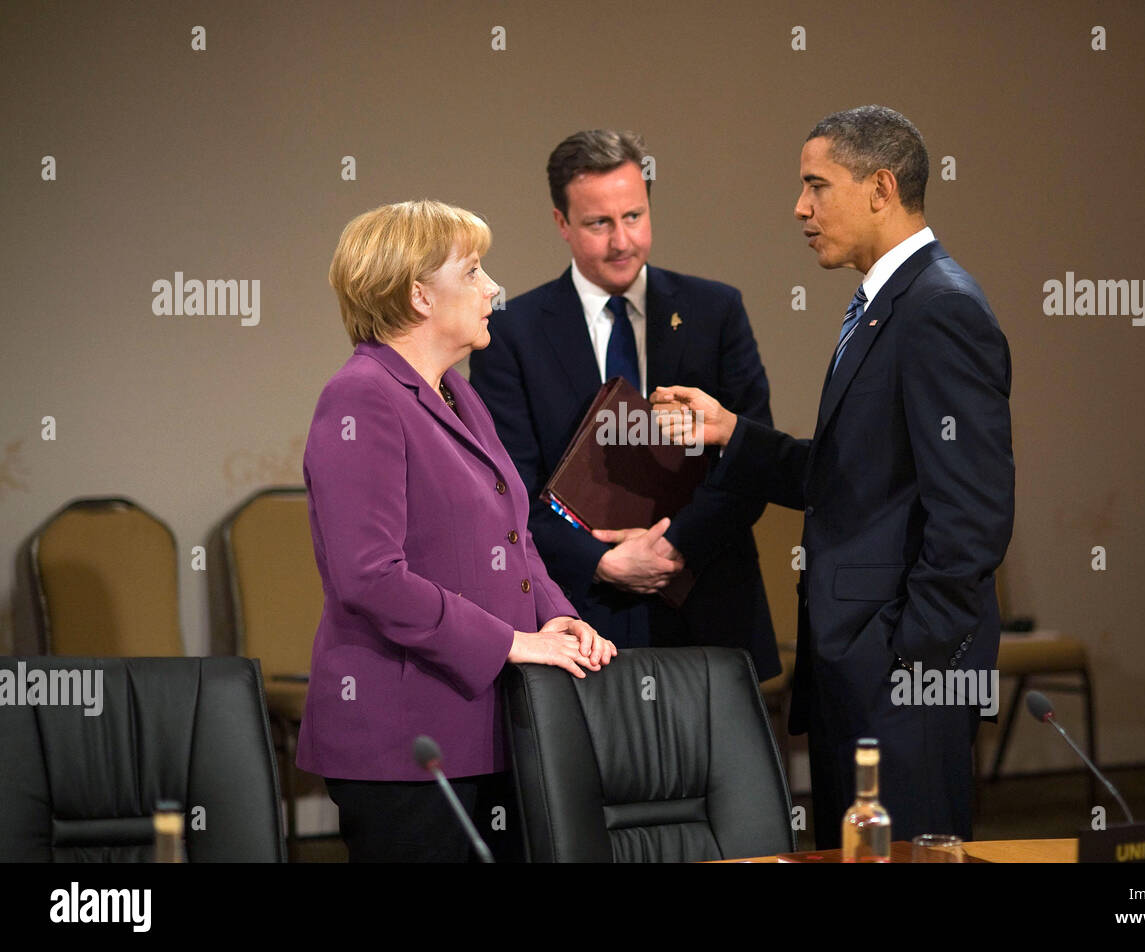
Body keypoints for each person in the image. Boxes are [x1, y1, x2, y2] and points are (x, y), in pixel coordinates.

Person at [653, 106, 1015, 845]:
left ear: (881, 187)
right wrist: (732, 432)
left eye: (816, 185)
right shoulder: (887, 306)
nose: (800, 208)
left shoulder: (938, 308)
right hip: (859, 673)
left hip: (900, 680)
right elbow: (855, 476)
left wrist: (907, 662)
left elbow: (973, 516)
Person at [297, 199, 617, 862]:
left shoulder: (457, 393)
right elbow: (370, 578)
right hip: (405, 742)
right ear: (419, 295)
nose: (492, 289)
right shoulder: (361, 395)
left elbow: (514, 535)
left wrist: (557, 618)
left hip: (485, 725)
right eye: (472, 271)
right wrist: (511, 643)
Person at [469, 130, 780, 679]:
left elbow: (750, 459)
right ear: (562, 223)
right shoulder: (512, 333)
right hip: (581, 623)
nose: (622, 241)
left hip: (709, 610)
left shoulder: (716, 311)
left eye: (634, 216)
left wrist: (674, 548)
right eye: (598, 223)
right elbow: (508, 490)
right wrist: (603, 563)